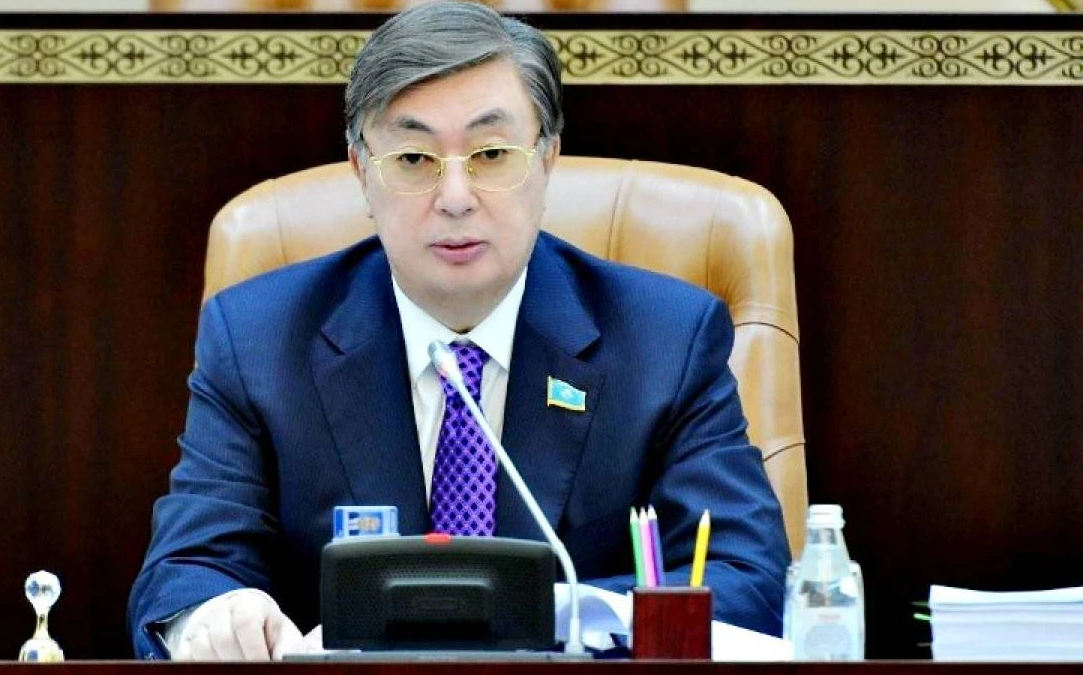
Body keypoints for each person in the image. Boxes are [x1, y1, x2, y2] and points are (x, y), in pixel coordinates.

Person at [128, 0, 789, 661]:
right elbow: (187, 570)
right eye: (414, 158)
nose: (454, 197)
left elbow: (747, 580)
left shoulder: (666, 340)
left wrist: (554, 612)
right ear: (362, 171)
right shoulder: (259, 339)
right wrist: (212, 616)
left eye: (492, 154)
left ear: (547, 160)